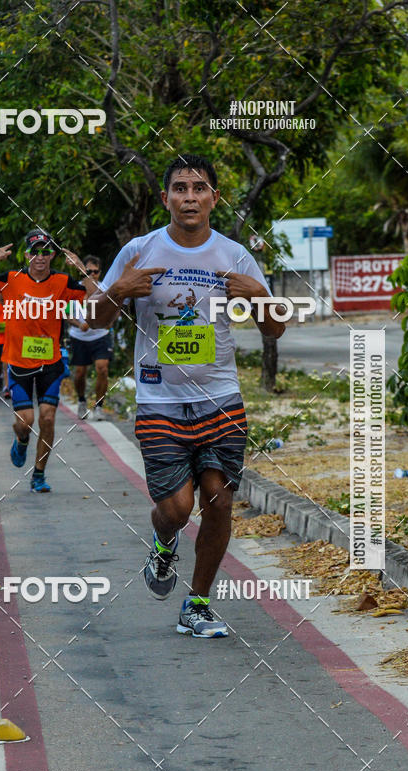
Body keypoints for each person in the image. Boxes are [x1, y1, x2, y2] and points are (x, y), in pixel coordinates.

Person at [88, 154, 286, 637]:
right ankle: (163, 540)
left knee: (219, 501)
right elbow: (93, 320)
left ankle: (197, 604)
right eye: (180, 188)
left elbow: (274, 329)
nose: (190, 197)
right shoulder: (139, 251)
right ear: (165, 198)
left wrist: (259, 297)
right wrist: (119, 289)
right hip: (160, 399)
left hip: (221, 397)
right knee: (177, 509)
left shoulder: (235, 256)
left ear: (215, 198)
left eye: (199, 188)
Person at [0, 229, 93, 493]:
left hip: (51, 363)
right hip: (18, 363)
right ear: (27, 255)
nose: (40, 257)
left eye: (46, 252)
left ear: (52, 256)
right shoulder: (11, 279)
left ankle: (38, 474)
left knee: (47, 418)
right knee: (25, 422)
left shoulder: (63, 281)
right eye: (35, 252)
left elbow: (94, 297)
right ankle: (22, 440)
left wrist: (81, 270)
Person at [68, 255, 113, 420]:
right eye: (89, 271)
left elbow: (112, 312)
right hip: (79, 337)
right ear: (83, 271)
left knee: (102, 368)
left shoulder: (104, 289)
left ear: (100, 273)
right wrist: (79, 324)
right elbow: (66, 314)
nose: (92, 274)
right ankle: (81, 401)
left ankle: (99, 406)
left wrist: (105, 323)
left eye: (96, 271)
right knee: (80, 373)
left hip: (100, 336)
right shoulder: (74, 289)